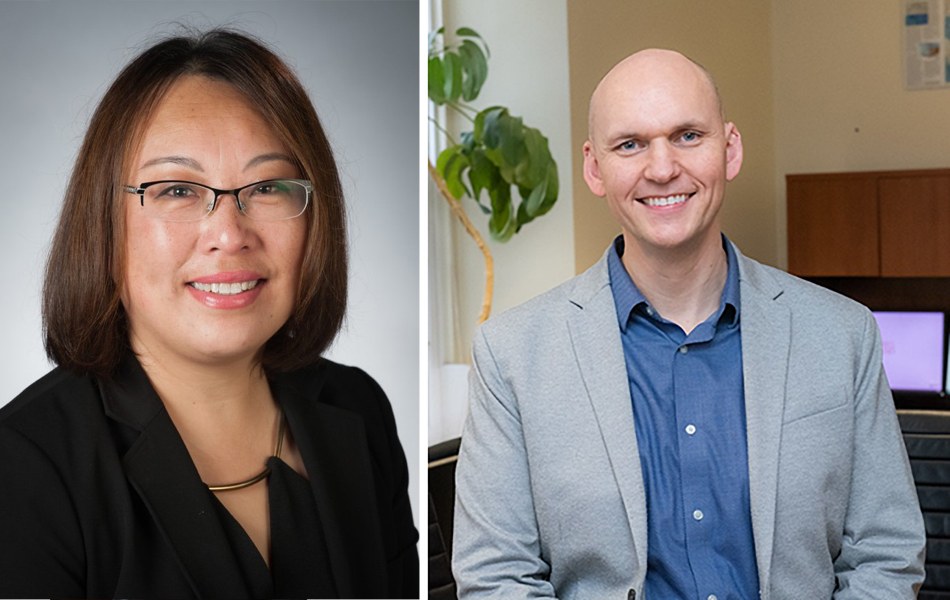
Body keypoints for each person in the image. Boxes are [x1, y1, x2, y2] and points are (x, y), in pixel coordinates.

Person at [452, 48, 926, 599]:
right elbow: (496, 578)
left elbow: (887, 553)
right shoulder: (512, 354)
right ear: (594, 167)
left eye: (687, 136)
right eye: (630, 144)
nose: (661, 169)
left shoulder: (842, 334)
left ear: (730, 149)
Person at [0, 28, 418, 599]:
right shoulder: (23, 466)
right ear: (103, 220)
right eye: (176, 190)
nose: (229, 234)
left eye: (268, 186)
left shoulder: (359, 411)